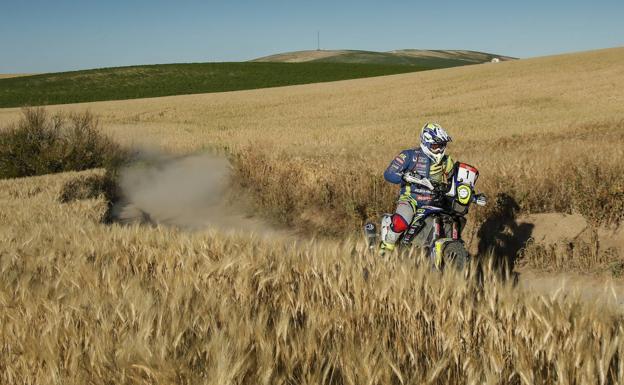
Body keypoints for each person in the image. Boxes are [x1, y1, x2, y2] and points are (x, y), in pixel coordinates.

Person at [380, 122, 454, 253]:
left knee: (452, 220)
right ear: (425, 143)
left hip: (436, 201)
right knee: (402, 221)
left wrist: (468, 190)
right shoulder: (409, 155)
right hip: (411, 199)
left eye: (442, 146)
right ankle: (386, 246)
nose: (439, 150)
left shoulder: (447, 162)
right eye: (435, 146)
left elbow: (456, 179)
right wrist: (404, 176)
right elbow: (388, 174)